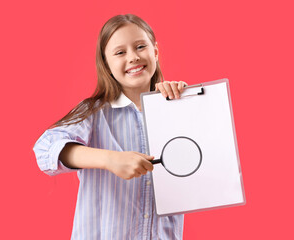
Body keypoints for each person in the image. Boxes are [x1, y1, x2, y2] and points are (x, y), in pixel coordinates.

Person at [33, 14, 187, 239]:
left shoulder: (175, 109)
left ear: (155, 52)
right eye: (120, 52)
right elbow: (45, 149)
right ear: (107, 64)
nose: (133, 57)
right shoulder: (95, 113)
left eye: (140, 46)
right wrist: (110, 159)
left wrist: (190, 105)